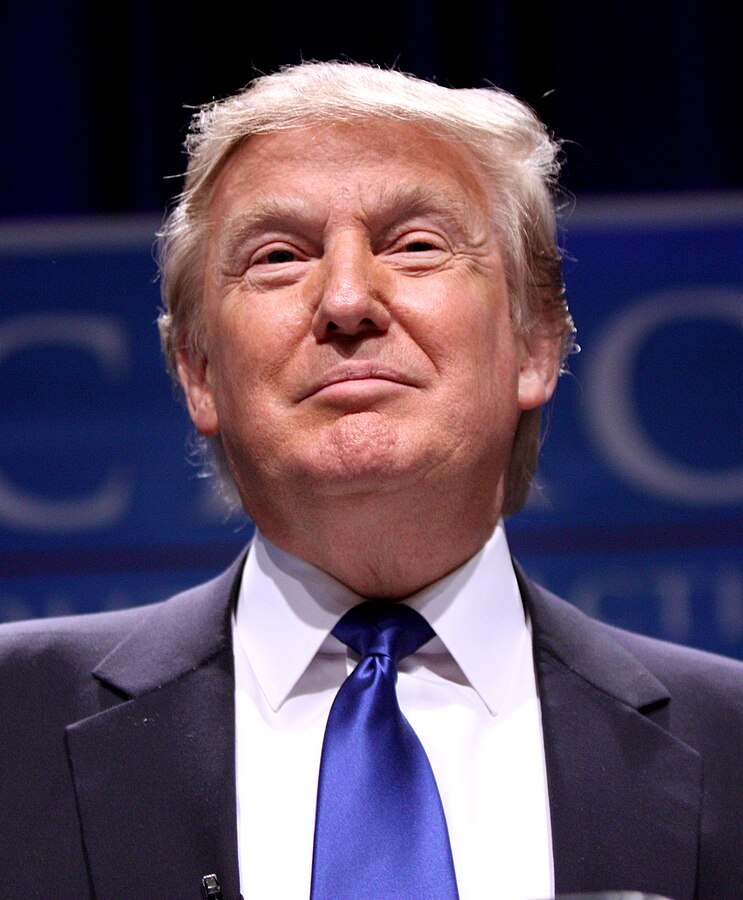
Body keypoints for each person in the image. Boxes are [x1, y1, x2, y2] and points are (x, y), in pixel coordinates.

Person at [1, 61, 742, 900]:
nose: (347, 298)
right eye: (278, 257)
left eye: (416, 245)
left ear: (534, 343)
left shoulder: (732, 746)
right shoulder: (10, 726)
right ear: (198, 372)